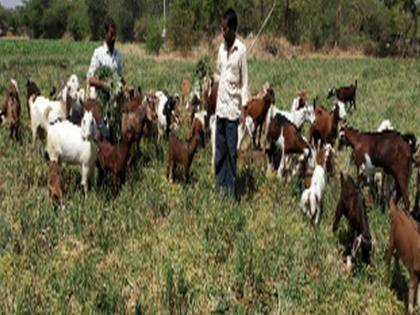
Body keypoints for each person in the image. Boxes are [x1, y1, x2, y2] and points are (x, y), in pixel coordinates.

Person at [215, 8, 248, 199]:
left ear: (233, 29)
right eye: (222, 28)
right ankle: (220, 189)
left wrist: (243, 109)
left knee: (231, 152)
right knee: (220, 152)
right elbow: (220, 73)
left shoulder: (241, 51)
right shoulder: (220, 49)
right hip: (220, 109)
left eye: (226, 28)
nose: (223, 32)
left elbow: (244, 82)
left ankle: (230, 192)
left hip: (233, 111)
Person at [86, 17, 123, 94]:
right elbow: (90, 78)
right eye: (111, 34)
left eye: (115, 35)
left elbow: (120, 77)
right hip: (99, 99)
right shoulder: (98, 53)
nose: (114, 38)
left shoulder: (117, 54)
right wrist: (103, 84)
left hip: (115, 99)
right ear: (105, 34)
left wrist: (126, 87)